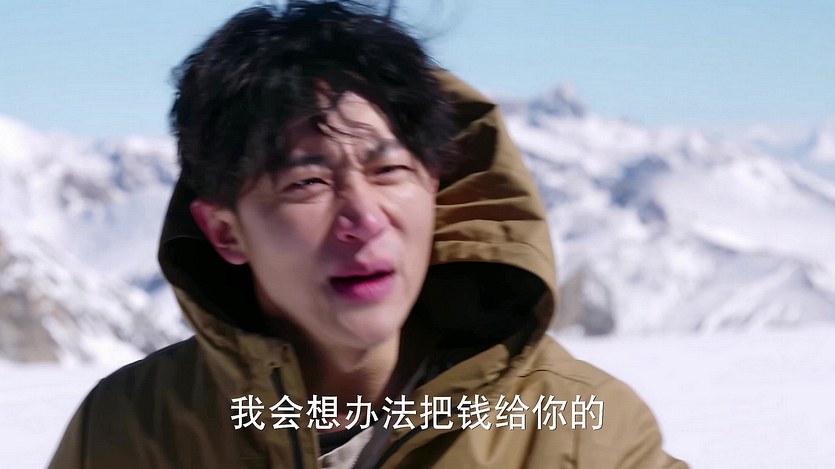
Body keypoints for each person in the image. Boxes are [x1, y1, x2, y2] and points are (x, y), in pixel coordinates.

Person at [49, 2, 686, 468]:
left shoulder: (581, 434)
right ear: (225, 232)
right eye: (307, 183)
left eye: (390, 171)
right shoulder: (129, 432)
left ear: (434, 183)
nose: (365, 217)